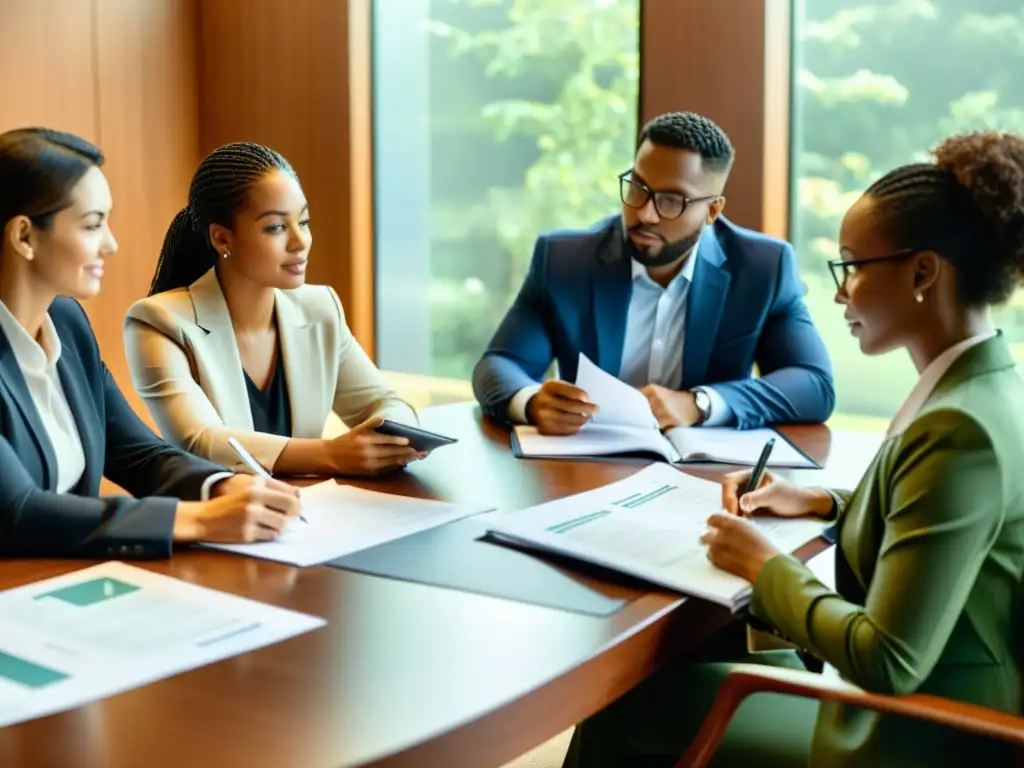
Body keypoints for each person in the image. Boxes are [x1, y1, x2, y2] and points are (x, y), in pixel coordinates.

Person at [562, 130, 1024, 767]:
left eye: (852, 266)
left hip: (916, 736)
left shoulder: (958, 429)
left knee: (623, 706)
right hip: (931, 700)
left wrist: (765, 567)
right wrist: (821, 501)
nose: (839, 294)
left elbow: (887, 660)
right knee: (683, 668)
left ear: (922, 272)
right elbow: (944, 519)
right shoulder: (988, 388)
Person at [0, 128, 301, 559]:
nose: (111, 243)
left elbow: (138, 454)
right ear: (25, 237)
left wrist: (223, 485)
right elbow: (17, 511)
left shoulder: (66, 323)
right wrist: (202, 519)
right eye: (92, 225)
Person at [473, 111, 835, 434]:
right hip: (583, 472)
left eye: (672, 200)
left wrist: (699, 404)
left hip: (706, 482)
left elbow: (814, 384)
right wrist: (532, 402)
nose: (645, 214)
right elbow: (500, 364)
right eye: (638, 187)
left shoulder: (762, 268)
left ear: (712, 211)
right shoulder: (565, 260)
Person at [124, 143, 421, 478]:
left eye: (304, 222)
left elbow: (384, 403)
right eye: (276, 227)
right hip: (222, 519)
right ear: (222, 239)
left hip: (320, 514)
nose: (300, 241)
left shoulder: (320, 308)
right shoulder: (158, 322)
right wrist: (330, 454)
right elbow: (202, 442)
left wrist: (395, 437)